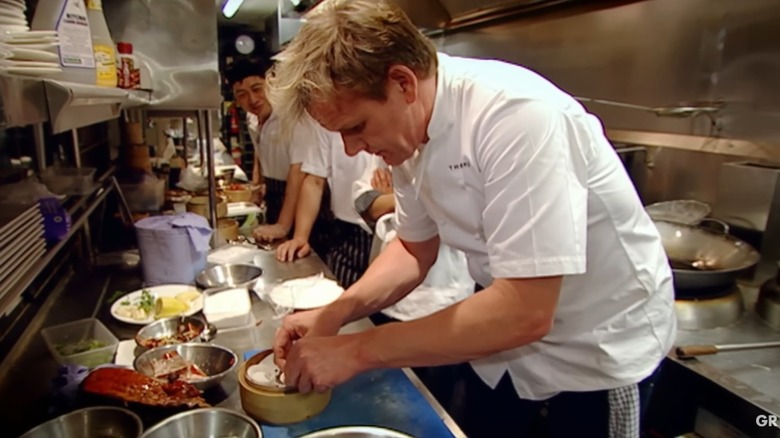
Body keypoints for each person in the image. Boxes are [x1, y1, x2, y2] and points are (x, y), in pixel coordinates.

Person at [265, 1, 677, 437]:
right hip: (507, 356)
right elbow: (412, 247)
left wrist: (356, 350)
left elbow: (524, 310)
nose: (351, 150)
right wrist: (335, 314)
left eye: (356, 127)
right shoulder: (411, 133)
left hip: (594, 351)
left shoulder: (515, 116)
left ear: (402, 83)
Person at [275, 123, 375, 288]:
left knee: (390, 307)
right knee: (342, 301)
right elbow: (314, 180)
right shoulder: (329, 119)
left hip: (394, 232)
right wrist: (300, 236)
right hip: (346, 236)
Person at [224, 58, 311, 242]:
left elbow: (299, 172)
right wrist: (256, 187)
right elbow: (260, 150)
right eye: (242, 94)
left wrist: (283, 225)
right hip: (274, 193)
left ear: (271, 83)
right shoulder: (253, 118)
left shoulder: (292, 115)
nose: (252, 100)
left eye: (257, 89)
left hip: (302, 196)